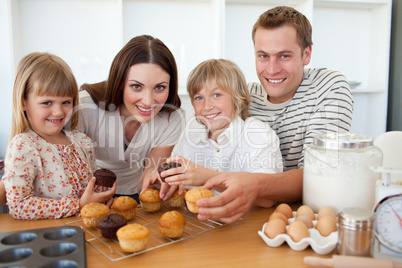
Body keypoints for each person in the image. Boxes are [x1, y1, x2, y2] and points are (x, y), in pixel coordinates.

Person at [195, 6, 354, 224]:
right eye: (263, 56)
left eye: (284, 56)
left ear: (306, 54)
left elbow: (317, 176)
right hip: (251, 215)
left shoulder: (328, 87)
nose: (271, 69)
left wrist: (254, 184)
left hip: (304, 217)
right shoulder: (245, 96)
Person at [2, 52, 115, 220]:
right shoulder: (23, 145)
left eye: (66, 102)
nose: (58, 111)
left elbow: (91, 186)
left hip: (88, 231)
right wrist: (79, 205)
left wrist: (101, 196)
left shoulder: (82, 140)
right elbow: (19, 206)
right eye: (47, 103)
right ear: (23, 103)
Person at [78, 35, 185, 203]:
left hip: (133, 192)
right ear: (119, 82)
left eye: (160, 87)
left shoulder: (172, 118)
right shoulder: (84, 107)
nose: (148, 101)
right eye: (136, 86)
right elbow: (71, 170)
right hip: (85, 193)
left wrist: (157, 182)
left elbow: (149, 174)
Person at [160, 59, 282, 193]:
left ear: (237, 97)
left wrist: (207, 177)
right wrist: (166, 183)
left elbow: (268, 197)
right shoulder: (190, 141)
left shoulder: (258, 134)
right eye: (199, 98)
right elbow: (181, 189)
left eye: (216, 95)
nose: (206, 106)